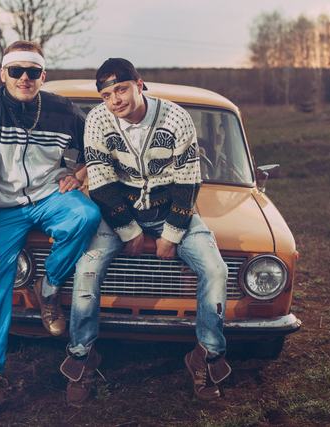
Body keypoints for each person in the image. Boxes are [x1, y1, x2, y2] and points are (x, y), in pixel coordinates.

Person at [59, 58, 231, 406]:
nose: (115, 100)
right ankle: (82, 356)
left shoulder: (176, 117)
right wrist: (128, 230)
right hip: (118, 212)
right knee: (86, 269)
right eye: (107, 95)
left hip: (172, 210)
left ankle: (207, 356)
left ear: (139, 85)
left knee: (216, 269)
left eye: (121, 89)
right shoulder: (98, 119)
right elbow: (102, 182)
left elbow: (188, 181)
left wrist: (171, 234)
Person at [0, 40, 101, 425]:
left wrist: (79, 173)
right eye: (16, 70)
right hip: (1, 207)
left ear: (43, 75)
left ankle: (48, 288)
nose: (25, 78)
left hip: (48, 196)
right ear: (3, 73)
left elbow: (97, 146)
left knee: (86, 216)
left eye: (33, 71)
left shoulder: (62, 109)